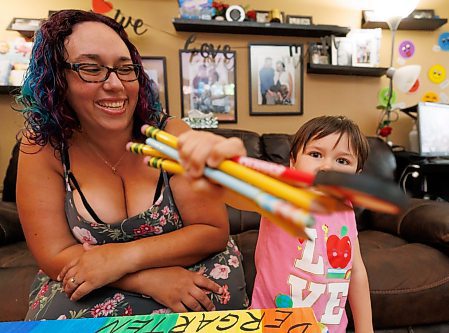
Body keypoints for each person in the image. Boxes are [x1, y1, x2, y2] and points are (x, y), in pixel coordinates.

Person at [16, 9, 248, 320]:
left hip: (190, 270)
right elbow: (54, 253)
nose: (116, 85)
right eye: (91, 68)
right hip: (91, 279)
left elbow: (211, 230)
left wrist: (122, 257)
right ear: (57, 79)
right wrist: (146, 279)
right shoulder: (43, 146)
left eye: (125, 69)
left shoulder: (171, 135)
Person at [250, 116, 374, 333]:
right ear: (293, 162)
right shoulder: (281, 194)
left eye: (342, 161)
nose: (327, 167)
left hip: (330, 328)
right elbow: (237, 194)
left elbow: (356, 272)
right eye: (316, 155)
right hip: (272, 326)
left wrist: (366, 329)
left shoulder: (345, 208)